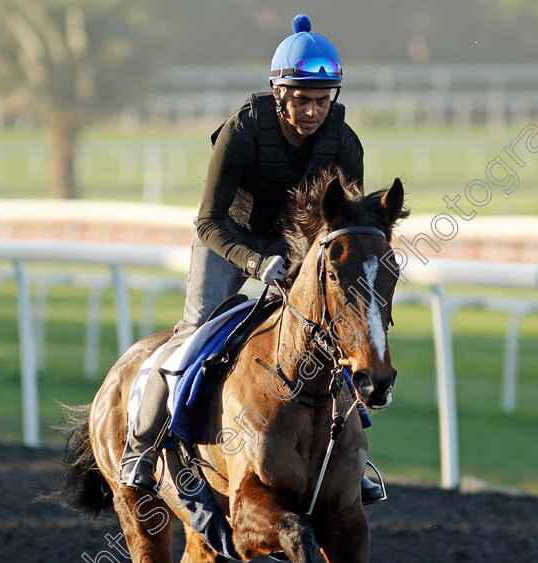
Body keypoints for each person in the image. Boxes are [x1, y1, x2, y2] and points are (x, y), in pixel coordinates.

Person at [120, 13, 384, 505]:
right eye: (301, 100)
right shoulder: (241, 130)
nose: (311, 112)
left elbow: (342, 229)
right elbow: (207, 222)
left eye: (321, 101)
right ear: (278, 93)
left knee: (330, 337)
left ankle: (351, 458)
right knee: (193, 330)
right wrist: (255, 262)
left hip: (295, 246)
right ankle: (142, 446)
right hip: (228, 236)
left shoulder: (345, 145)